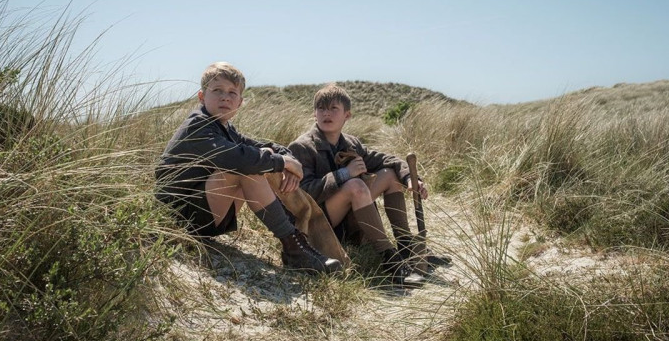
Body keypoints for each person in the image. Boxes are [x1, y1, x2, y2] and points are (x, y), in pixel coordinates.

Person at [155, 62, 341, 274]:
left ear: (240, 102)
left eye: (232, 93)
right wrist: (282, 163)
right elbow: (238, 159)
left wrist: (288, 159)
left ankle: (298, 244)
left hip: (203, 216)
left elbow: (263, 146)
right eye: (217, 91)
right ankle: (294, 248)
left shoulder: (226, 127)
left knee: (259, 158)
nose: (225, 97)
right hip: (176, 216)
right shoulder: (198, 125)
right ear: (201, 97)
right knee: (246, 167)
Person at [288, 84, 450, 287]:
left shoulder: (351, 144)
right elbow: (302, 194)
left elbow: (388, 159)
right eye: (321, 108)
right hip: (319, 222)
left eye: (333, 109)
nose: (326, 114)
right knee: (355, 185)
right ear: (314, 113)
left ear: (347, 115)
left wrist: (410, 179)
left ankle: (406, 248)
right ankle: (391, 262)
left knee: (389, 175)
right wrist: (344, 174)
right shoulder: (302, 146)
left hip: (349, 219)